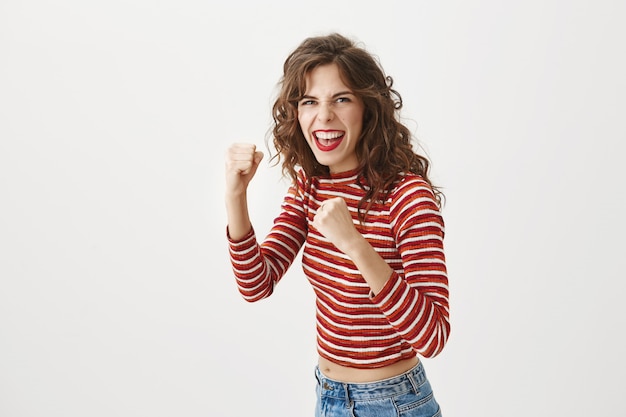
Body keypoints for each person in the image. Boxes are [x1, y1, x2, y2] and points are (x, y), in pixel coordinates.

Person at [225, 33, 449, 417]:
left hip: (394, 403)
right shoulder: (310, 188)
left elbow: (433, 336)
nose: (324, 116)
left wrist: (356, 245)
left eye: (341, 99)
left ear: (368, 108)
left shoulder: (406, 195)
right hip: (329, 397)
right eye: (310, 101)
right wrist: (235, 197)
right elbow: (256, 284)